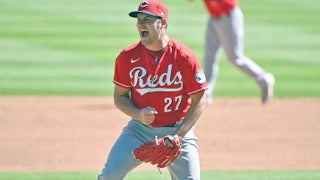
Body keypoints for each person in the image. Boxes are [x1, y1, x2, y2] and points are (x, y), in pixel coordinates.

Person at [98, 0, 208, 179]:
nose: (141, 23)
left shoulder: (184, 57)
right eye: (138, 19)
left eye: (147, 19)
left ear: (163, 23)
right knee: (110, 174)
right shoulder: (127, 57)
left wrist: (178, 137)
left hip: (178, 129)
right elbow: (120, 97)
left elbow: (200, 100)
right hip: (139, 130)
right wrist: (138, 113)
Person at [188, 0, 275, 104]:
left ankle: (264, 79)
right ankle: (206, 94)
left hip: (229, 16)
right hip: (213, 18)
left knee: (236, 58)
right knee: (209, 58)